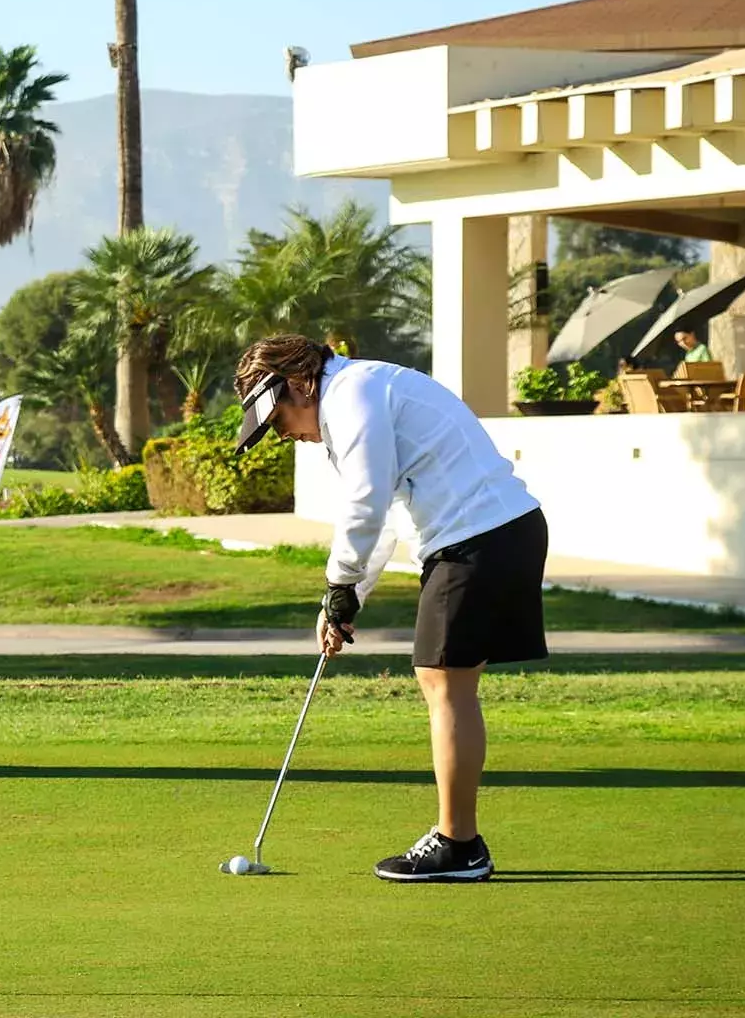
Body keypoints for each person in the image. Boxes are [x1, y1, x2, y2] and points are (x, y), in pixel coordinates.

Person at [234, 334, 547, 882]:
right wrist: (347, 597)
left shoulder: (352, 394)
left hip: (482, 534)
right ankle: (459, 841)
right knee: (445, 680)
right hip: (486, 534)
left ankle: (459, 845)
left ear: (296, 385)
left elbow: (364, 502)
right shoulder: (354, 396)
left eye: (278, 420)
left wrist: (338, 583)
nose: (284, 436)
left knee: (443, 680)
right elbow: (382, 515)